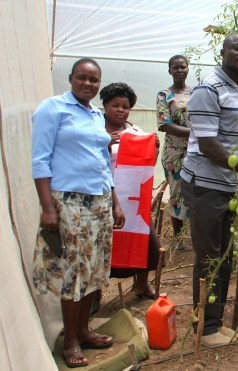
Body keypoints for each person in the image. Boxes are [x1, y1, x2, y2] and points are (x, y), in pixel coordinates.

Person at [31, 58, 125, 368]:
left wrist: (115, 201)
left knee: (95, 267)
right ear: (71, 79)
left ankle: (84, 330)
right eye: (82, 78)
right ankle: (70, 339)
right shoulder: (53, 109)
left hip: (98, 201)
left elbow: (102, 161)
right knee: (74, 271)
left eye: (94, 80)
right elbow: (40, 162)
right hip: (69, 202)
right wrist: (47, 207)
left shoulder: (96, 113)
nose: (88, 84)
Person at [180, 33, 238, 347]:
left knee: (222, 257)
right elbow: (207, 144)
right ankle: (204, 330)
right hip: (204, 182)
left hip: (223, 184)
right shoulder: (209, 88)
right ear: (223, 51)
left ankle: (214, 322)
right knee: (209, 257)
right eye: (237, 48)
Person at [100, 82, 161, 299]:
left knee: (146, 241)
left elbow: (149, 163)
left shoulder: (135, 132)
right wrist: (104, 144)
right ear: (105, 106)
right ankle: (95, 293)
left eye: (125, 107)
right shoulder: (95, 130)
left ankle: (141, 285)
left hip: (132, 199)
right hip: (103, 196)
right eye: (115, 105)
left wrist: (154, 147)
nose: (120, 110)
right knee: (103, 246)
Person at [157, 55, 192, 249]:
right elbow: (165, 125)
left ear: (188, 69)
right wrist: (197, 133)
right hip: (175, 153)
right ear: (169, 70)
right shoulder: (164, 95)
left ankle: (196, 235)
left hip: (196, 150)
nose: (180, 70)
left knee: (196, 191)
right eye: (175, 67)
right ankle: (178, 239)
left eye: (183, 67)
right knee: (177, 192)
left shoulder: (195, 93)